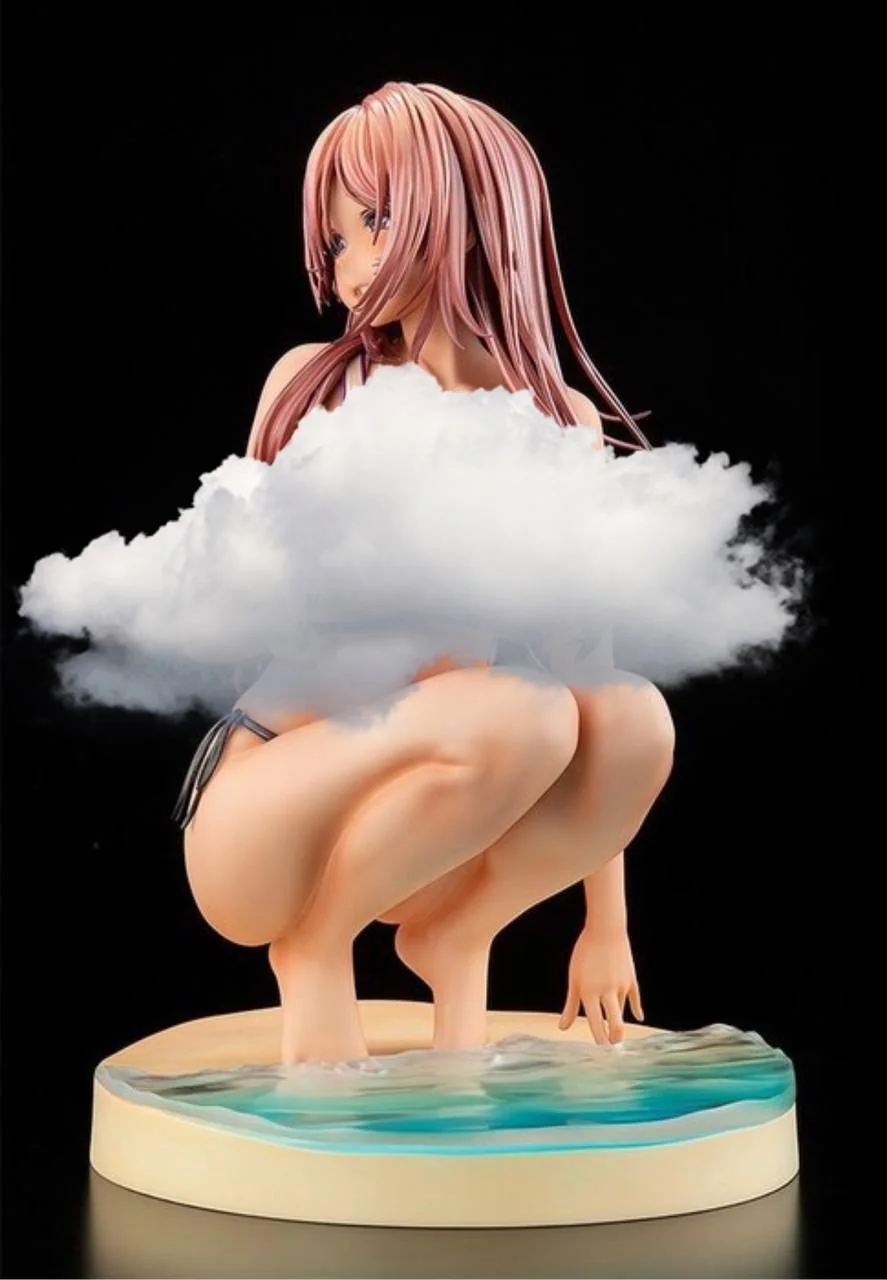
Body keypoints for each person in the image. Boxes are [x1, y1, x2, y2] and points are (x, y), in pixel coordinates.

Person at [176, 82, 675, 1066]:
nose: (351, 267)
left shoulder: (560, 426)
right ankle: (314, 949)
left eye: (376, 223)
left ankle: (458, 936)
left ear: (473, 217)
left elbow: (586, 660)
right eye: (335, 241)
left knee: (627, 717)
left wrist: (604, 923)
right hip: (263, 813)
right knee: (518, 708)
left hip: (426, 825)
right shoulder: (314, 387)